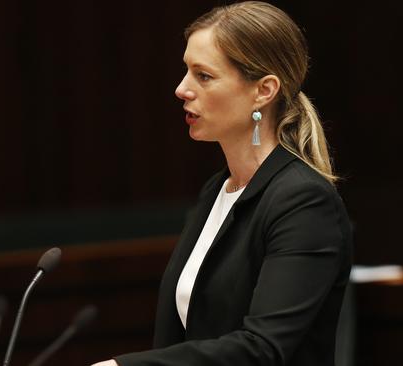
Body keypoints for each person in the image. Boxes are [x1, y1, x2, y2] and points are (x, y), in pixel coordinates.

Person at [92, 1, 352, 365]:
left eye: (204, 76)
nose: (181, 89)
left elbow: (263, 349)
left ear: (263, 90)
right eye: (186, 71)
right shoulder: (217, 190)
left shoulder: (303, 202)